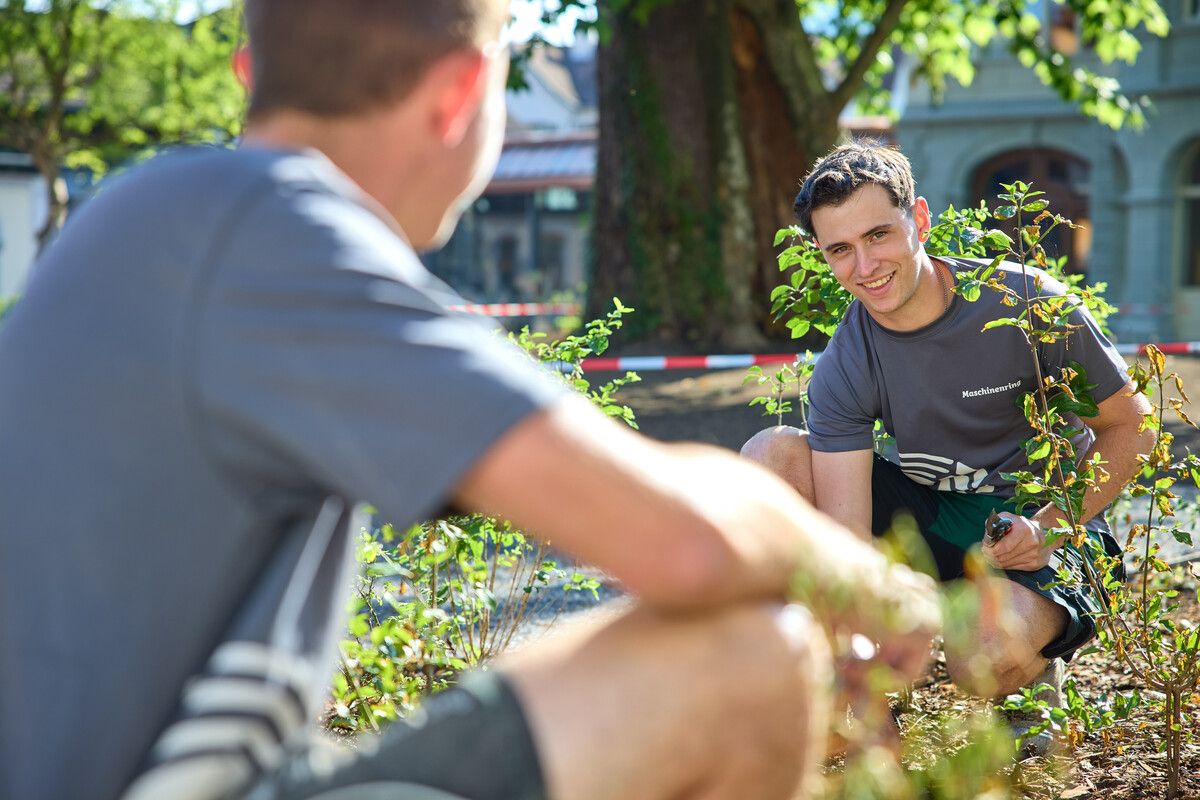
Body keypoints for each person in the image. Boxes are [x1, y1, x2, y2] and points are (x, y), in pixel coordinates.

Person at [0, 5, 941, 800]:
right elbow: (681, 538)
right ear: (461, 95)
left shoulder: (151, 215)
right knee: (750, 657)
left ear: (252, 76)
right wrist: (878, 586)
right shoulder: (274, 232)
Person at [743, 141, 1152, 753]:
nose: (865, 265)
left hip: (1040, 522)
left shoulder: (1025, 302)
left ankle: (1030, 676)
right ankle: (867, 685)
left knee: (985, 657)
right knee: (772, 455)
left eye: (878, 234)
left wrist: (1052, 526)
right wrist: (863, 659)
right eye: (840, 250)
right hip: (933, 519)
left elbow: (1134, 426)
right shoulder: (844, 365)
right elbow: (849, 541)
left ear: (921, 221)